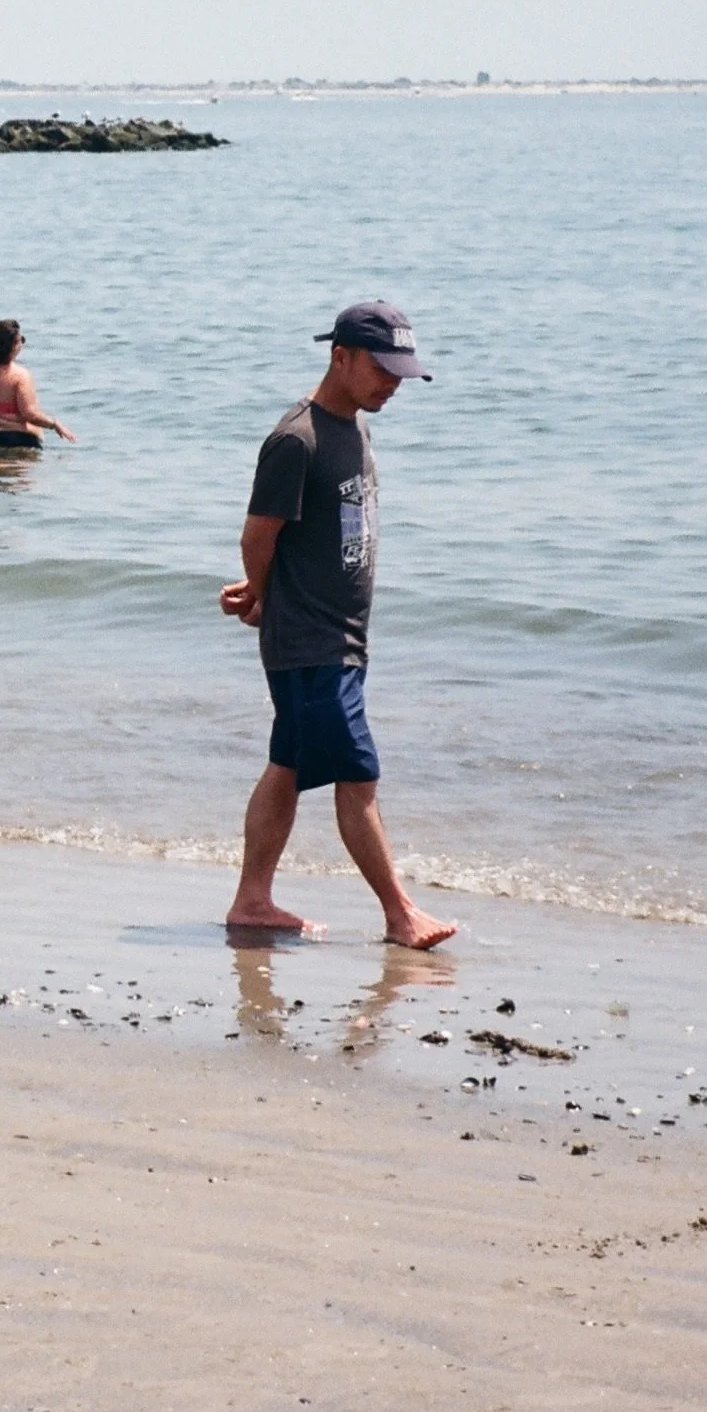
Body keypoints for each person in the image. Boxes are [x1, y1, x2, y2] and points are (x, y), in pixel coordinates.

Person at [219, 301, 456, 950]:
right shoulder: (297, 439)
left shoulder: (353, 427)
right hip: (312, 643)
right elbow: (257, 534)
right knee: (359, 774)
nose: (393, 383)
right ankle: (400, 913)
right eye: (382, 368)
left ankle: (252, 899)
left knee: (288, 766)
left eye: (402, 372)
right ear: (340, 356)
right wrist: (264, 596)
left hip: (337, 639)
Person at [0, 319, 76, 449]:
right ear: (12, 345)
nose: (22, 343)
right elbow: (29, 414)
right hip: (19, 439)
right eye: (20, 340)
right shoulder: (20, 375)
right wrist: (54, 424)